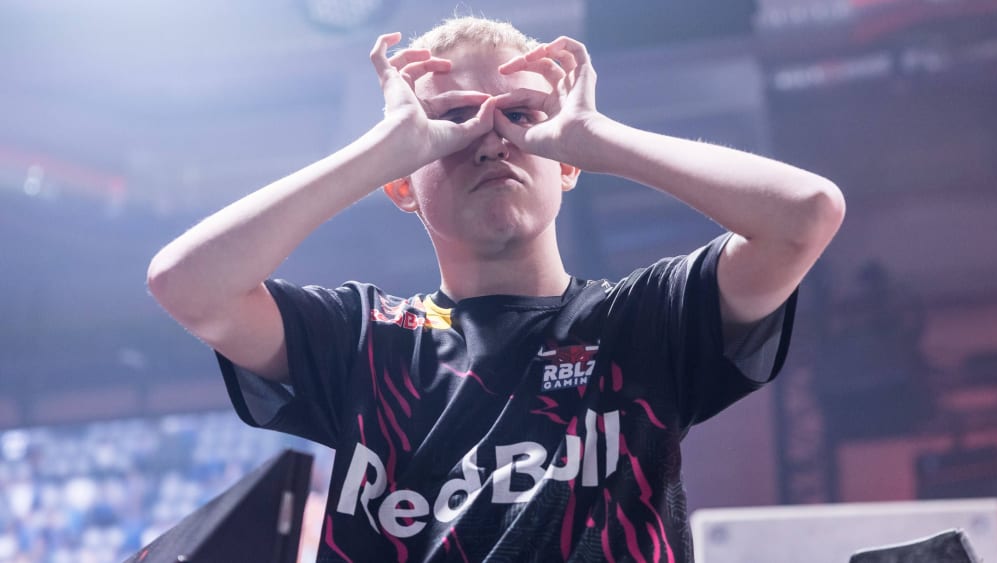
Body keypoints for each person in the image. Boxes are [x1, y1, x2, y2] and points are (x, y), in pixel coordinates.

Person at [147, 16, 844, 563]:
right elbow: (187, 283)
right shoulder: (362, 340)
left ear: (565, 164)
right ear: (401, 183)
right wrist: (380, 150)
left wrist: (599, 136)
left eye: (521, 116)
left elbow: (806, 214)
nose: (490, 140)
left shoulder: (644, 320)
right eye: (452, 122)